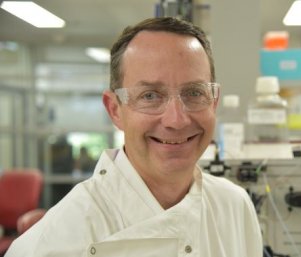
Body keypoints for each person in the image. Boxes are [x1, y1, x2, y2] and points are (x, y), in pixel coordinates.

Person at [6, 17, 262, 257]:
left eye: (194, 93)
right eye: (150, 96)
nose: (177, 120)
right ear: (115, 110)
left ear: (214, 102)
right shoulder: (52, 243)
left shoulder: (234, 206)